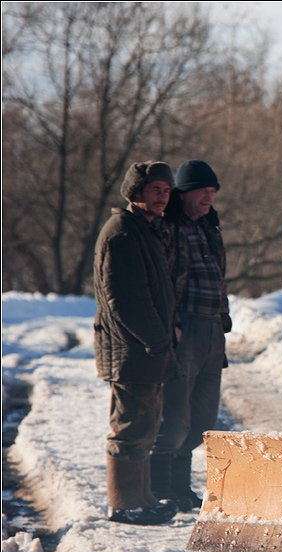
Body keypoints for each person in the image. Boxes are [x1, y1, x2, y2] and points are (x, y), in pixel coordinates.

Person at [93, 161, 180, 525]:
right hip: (132, 349)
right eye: (154, 190)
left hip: (144, 348)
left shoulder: (144, 230)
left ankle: (142, 497)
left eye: (166, 190)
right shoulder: (123, 233)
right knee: (131, 426)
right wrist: (158, 339)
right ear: (136, 193)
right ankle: (125, 503)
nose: (162, 197)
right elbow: (127, 299)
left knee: (146, 424)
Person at [150, 160, 230, 511]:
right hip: (185, 330)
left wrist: (223, 322)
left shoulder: (209, 229)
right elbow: (160, 283)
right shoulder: (167, 229)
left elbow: (219, 278)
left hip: (213, 330)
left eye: (212, 192)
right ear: (183, 193)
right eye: (202, 191)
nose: (208, 198)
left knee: (203, 419)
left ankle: (180, 487)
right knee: (174, 417)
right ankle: (160, 489)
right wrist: (172, 324)